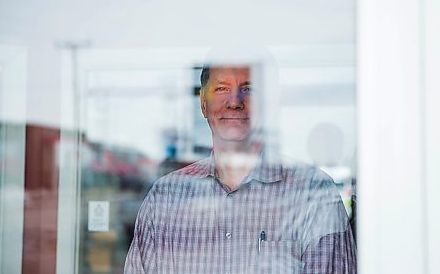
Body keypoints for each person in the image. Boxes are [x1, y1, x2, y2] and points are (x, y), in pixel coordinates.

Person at [124, 53, 357, 273]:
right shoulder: (165, 198)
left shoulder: (313, 194)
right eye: (222, 89)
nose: (234, 102)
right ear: (203, 104)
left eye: (249, 89)